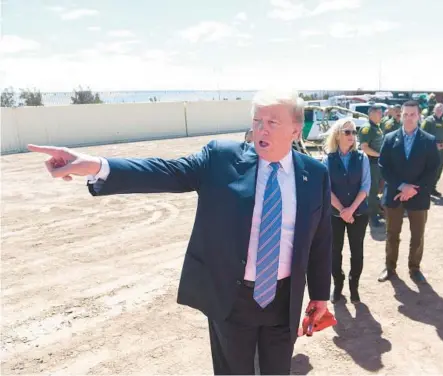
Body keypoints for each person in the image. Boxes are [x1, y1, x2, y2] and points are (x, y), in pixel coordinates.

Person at [27, 88, 332, 375]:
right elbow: (166, 171)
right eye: (257, 120)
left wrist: (319, 295)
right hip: (233, 299)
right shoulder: (222, 159)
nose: (261, 129)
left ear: (296, 128)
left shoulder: (314, 174)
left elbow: (320, 241)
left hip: (283, 302)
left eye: (272, 122)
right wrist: (96, 165)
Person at [376, 101, 440, 284]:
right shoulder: (389, 138)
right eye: (405, 114)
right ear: (400, 115)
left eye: (413, 114)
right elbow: (383, 166)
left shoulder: (428, 140)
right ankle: (389, 267)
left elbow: (432, 169)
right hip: (394, 194)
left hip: (418, 196)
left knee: (417, 235)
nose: (409, 118)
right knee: (392, 234)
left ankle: (414, 268)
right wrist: (402, 186)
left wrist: (413, 189)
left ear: (419, 116)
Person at [321, 119, 371, 304]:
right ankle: (338, 284)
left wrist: (351, 210)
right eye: (347, 132)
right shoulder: (328, 159)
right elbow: (327, 189)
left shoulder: (362, 158)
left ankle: (354, 286)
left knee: (357, 252)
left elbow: (365, 186)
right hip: (335, 215)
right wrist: (343, 210)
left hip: (359, 214)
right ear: (337, 135)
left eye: (354, 132)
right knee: (335, 252)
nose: (352, 135)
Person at [358, 105, 384, 227]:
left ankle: (376, 211)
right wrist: (379, 155)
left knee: (377, 189)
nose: (381, 115)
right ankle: (371, 217)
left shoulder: (376, 127)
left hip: (377, 163)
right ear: (371, 114)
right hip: (370, 163)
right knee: (372, 191)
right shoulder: (367, 128)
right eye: (379, 113)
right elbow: (364, 148)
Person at [421, 103, 443, 197]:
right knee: (429, 169)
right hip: (430, 149)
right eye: (438, 109)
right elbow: (422, 134)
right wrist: (433, 145)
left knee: (439, 169)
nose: (439, 111)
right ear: (434, 109)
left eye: (441, 109)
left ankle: (432, 188)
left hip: (442, 149)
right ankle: (425, 189)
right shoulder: (428, 121)